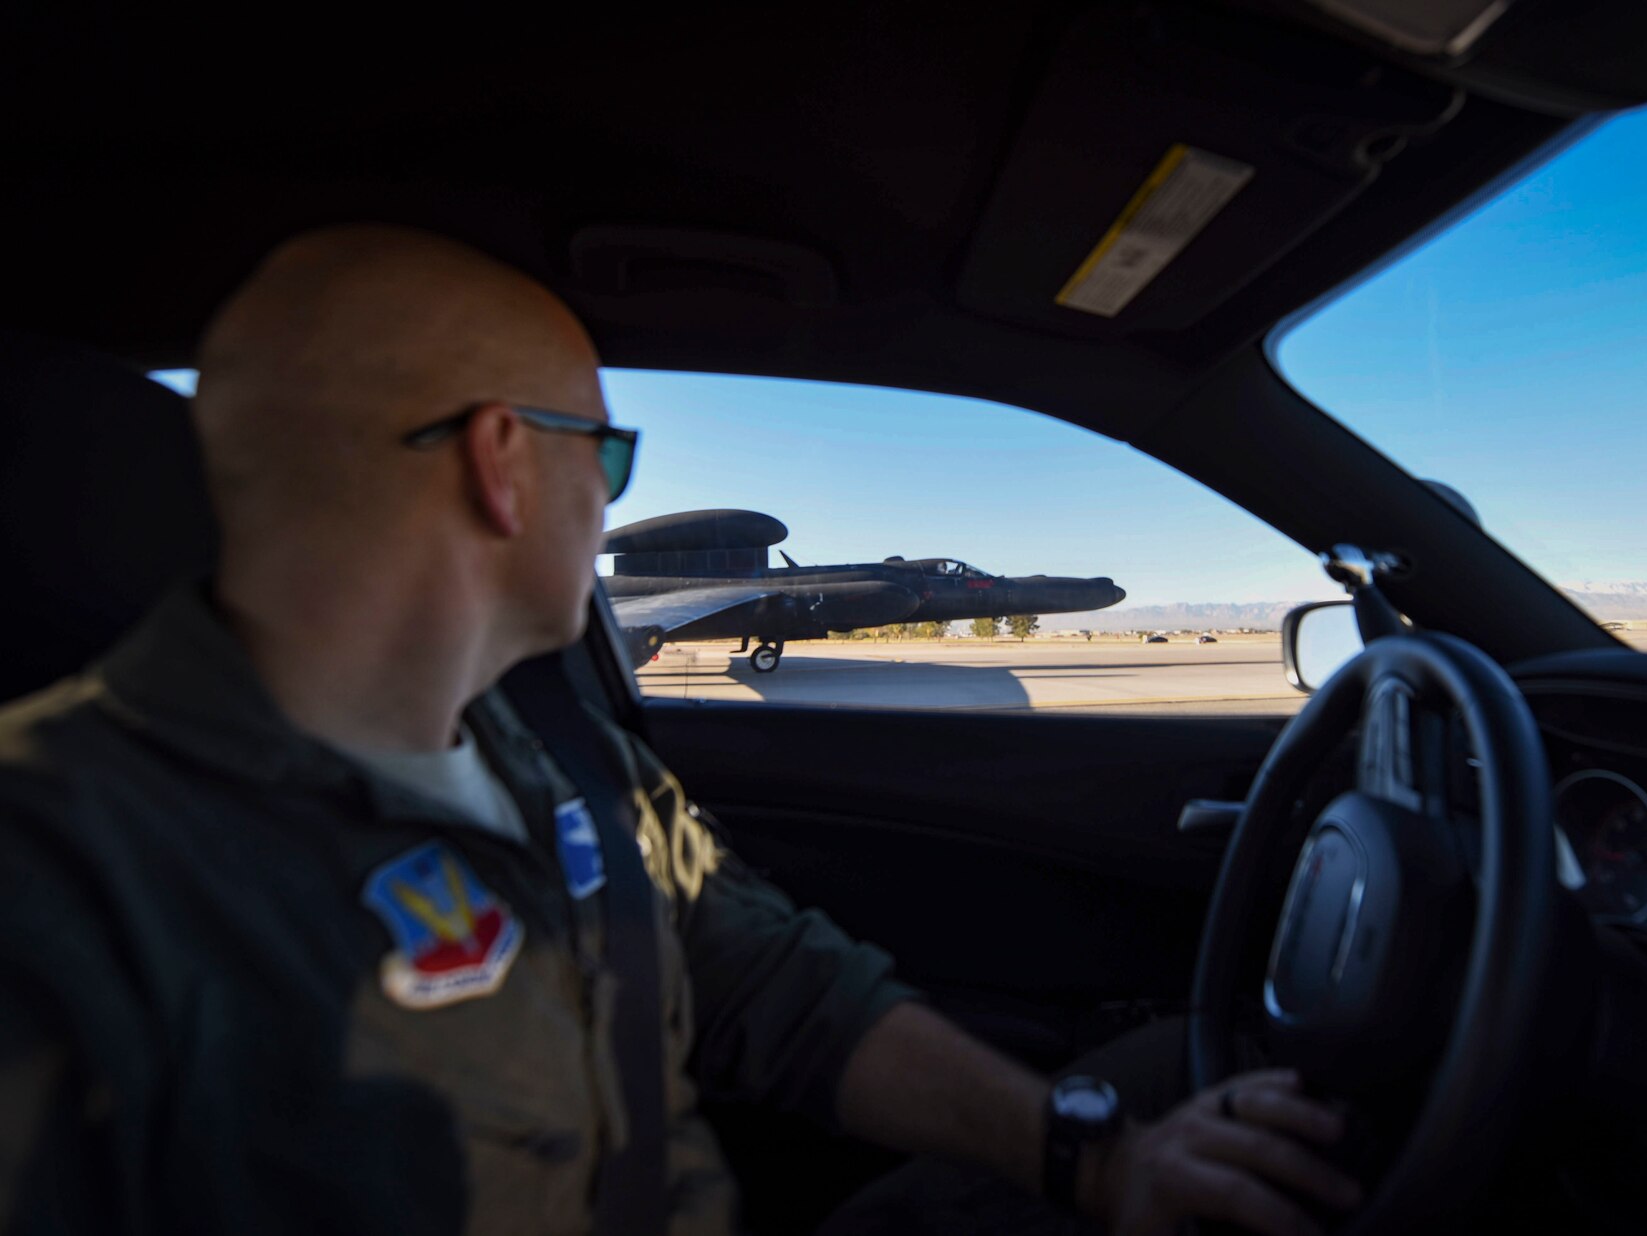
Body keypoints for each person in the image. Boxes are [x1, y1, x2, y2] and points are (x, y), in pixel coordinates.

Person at [0, 226, 1357, 1235]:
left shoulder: (561, 769)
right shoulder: (59, 872)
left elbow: (783, 994)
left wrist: (1100, 1161)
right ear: (500, 462)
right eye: (607, 457)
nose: (609, 501)